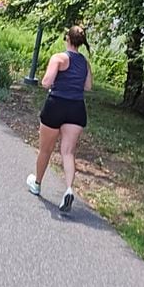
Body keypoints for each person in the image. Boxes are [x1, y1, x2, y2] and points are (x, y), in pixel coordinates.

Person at [26, 25, 92, 214]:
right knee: (68, 152)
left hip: (56, 104)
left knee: (45, 150)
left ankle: (37, 183)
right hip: (77, 108)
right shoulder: (85, 63)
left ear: (67, 39)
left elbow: (47, 81)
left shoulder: (59, 58)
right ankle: (69, 189)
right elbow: (88, 86)